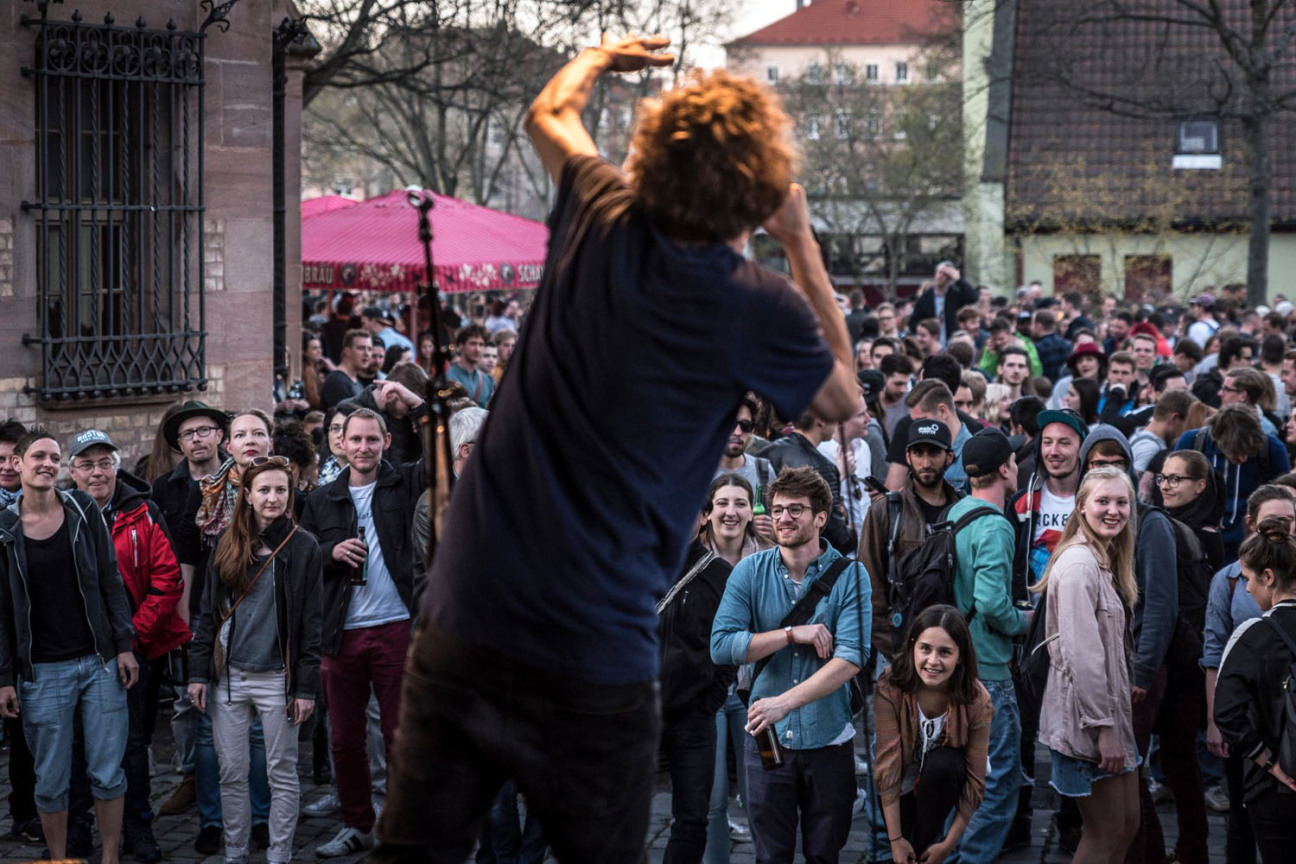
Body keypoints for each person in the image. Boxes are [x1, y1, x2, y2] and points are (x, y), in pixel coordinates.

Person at [374, 38, 858, 862]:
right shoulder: (755, 306)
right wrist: (802, 242)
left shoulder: (600, 212)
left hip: (469, 618)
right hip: (595, 657)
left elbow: (546, 113)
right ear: (753, 196)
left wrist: (598, 56)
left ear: (650, 160)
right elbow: (844, 397)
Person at [710, 467, 868, 864]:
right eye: (778, 510)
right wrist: (791, 633)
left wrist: (784, 703)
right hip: (768, 739)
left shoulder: (851, 575)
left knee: (824, 853)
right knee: (770, 854)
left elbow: (852, 657)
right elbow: (722, 646)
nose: (782, 518)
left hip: (829, 737)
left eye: (795, 510)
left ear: (820, 518)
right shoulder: (750, 571)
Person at [0, 429, 138, 864]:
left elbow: (110, 581)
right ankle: (60, 858)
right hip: (42, 670)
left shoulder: (82, 510)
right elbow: (1, 610)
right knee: (51, 779)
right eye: (37, 456)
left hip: (98, 662)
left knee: (107, 772)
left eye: (54, 457)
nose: (46, 463)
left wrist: (125, 645)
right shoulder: (4, 530)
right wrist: (4, 677)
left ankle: (111, 856)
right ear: (18, 464)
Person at [302, 407, 427, 858]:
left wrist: (414, 404)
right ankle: (357, 823)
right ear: (341, 443)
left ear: (386, 442)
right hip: (342, 632)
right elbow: (300, 555)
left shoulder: (404, 484)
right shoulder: (321, 499)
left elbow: (439, 456)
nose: (363, 448)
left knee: (400, 735)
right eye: (355, 440)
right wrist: (330, 551)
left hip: (395, 625)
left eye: (372, 439)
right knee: (344, 738)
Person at [188, 457, 322, 864]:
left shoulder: (304, 547)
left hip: (277, 679)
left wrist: (305, 687)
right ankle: (235, 853)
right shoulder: (227, 543)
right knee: (232, 773)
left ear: (291, 494)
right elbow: (208, 613)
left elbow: (311, 625)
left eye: (281, 489)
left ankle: (279, 855)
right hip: (229, 677)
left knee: (281, 773)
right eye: (263, 489)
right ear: (247, 495)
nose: (273, 497)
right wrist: (197, 673)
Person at [66, 429, 190, 863]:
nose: (96, 472)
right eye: (86, 464)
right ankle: (78, 826)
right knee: (77, 743)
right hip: (76, 651)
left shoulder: (144, 511)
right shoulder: (61, 514)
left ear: (116, 466)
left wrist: (131, 639)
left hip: (135, 647)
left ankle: (139, 826)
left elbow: (167, 580)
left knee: (132, 742)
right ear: (72, 472)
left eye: (104, 462)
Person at [1034, 466, 1141, 863]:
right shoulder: (1080, 565)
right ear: (1081, 507)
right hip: (1090, 726)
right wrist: (1104, 730)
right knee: (1106, 832)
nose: (1113, 510)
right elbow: (1083, 658)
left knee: (1127, 824)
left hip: (1111, 717)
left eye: (1121, 502)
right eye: (1103, 501)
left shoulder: (1104, 559)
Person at [944, 428, 1028, 863]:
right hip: (988, 672)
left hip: (951, 667)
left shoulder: (956, 511)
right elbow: (992, 603)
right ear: (1004, 470)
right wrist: (1026, 622)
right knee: (997, 783)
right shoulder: (995, 524)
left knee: (959, 779)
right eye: (1013, 461)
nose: (1017, 466)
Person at [657, 479, 740, 864]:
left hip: (693, 718)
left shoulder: (719, 575)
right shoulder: (637, 567)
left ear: (705, 517)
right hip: (639, 712)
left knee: (692, 818)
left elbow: (730, 647)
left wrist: (710, 700)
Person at [874, 606, 993, 864]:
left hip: (943, 781)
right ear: (913, 647)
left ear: (960, 656)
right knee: (902, 846)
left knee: (944, 765)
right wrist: (895, 841)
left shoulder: (977, 700)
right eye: (925, 649)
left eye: (945, 652)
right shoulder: (890, 685)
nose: (933, 661)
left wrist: (947, 845)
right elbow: (888, 766)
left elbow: (976, 780)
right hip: (901, 778)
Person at [1214, 517, 1296, 862]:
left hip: (1277, 787)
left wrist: (1268, 762)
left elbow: (1226, 711)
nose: (1246, 589)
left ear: (1268, 577)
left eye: (1249, 579)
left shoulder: (1253, 635)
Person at [699, 474, 770, 864]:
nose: (731, 511)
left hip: (757, 694)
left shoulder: (769, 557)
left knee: (762, 797)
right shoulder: (690, 559)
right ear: (708, 512)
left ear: (752, 510)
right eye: (722, 503)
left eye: (740, 503)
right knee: (712, 803)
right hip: (706, 695)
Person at [858, 418, 961, 661]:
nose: (926, 462)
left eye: (934, 452)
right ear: (907, 456)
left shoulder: (962, 510)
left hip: (950, 647)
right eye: (919, 452)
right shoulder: (885, 511)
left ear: (949, 457)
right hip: (898, 647)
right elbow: (869, 585)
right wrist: (894, 648)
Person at [1175, 403, 1290, 561]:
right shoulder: (1193, 443)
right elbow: (1174, 489)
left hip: (1252, 544)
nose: (1243, 458)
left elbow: (1284, 495)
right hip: (1198, 542)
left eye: (1249, 452)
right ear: (1217, 436)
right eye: (1237, 451)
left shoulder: (1272, 449)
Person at [765, 411, 856, 555]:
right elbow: (837, 535)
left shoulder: (767, 450)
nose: (837, 423)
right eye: (834, 417)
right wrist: (855, 535)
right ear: (821, 421)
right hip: (805, 560)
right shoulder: (822, 467)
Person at [1129, 390, 1193, 478]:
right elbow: (1136, 487)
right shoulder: (1150, 449)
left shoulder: (1139, 435)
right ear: (1174, 418)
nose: (1187, 430)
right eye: (1187, 424)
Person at [911, 261, 977, 346]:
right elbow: (913, 322)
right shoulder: (925, 297)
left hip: (952, 342)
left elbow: (973, 298)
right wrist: (929, 325)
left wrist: (958, 280)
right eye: (939, 272)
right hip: (931, 344)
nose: (941, 276)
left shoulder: (954, 295)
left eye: (945, 274)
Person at [321, 330, 374, 411]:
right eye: (361, 348)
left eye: (369, 349)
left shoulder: (356, 381)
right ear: (347, 351)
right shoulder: (337, 381)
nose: (366, 353)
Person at [446, 324, 495, 408]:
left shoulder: (487, 380)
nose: (477, 349)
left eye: (481, 344)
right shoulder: (449, 376)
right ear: (461, 345)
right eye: (473, 344)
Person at [1032, 310, 1072, 383]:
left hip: (1045, 388)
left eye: (1033, 324)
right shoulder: (1066, 344)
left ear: (1038, 326)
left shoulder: (1037, 347)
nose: (1032, 328)